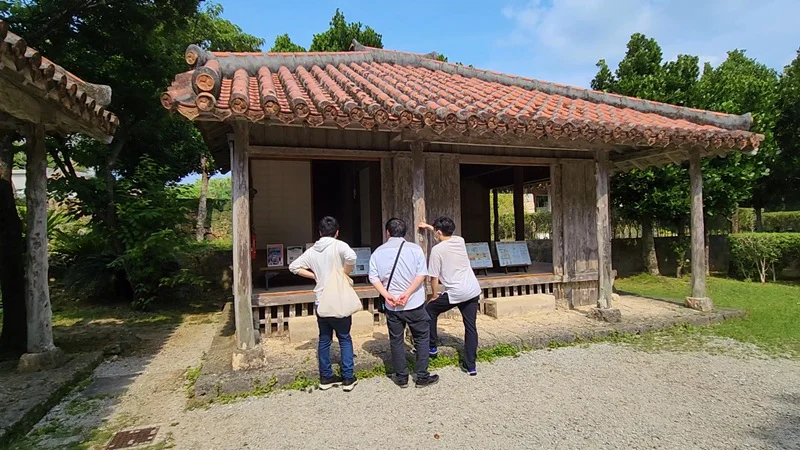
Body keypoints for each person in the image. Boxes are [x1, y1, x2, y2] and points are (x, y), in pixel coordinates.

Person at [289, 216, 358, 392]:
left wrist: (315, 276)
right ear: (337, 232)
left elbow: (294, 266)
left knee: (324, 339)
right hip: (339, 298)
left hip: (321, 300)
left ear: (319, 232)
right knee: (344, 338)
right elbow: (351, 257)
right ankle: (348, 377)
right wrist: (344, 272)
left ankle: (325, 377)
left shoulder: (312, 251)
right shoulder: (339, 245)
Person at [369, 218, 439, 388]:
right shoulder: (414, 249)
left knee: (396, 340)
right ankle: (421, 376)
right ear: (405, 232)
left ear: (387, 233)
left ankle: (401, 377)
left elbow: (373, 277)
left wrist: (386, 295)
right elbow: (421, 274)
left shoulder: (378, 252)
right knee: (422, 337)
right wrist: (407, 294)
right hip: (414, 302)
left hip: (392, 305)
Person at [419, 217, 481, 376]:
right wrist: (428, 227)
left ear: (439, 232)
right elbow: (440, 232)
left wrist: (434, 295)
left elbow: (434, 276)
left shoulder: (437, 250)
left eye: (435, 231)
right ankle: (471, 366)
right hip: (472, 289)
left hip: (456, 292)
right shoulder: (460, 240)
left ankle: (432, 346)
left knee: (430, 311)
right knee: (470, 327)